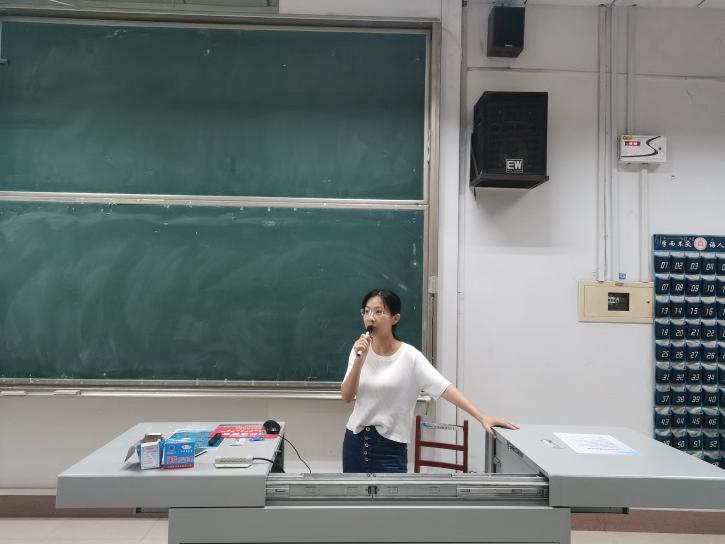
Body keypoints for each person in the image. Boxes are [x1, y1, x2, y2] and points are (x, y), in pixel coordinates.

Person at [341, 288, 517, 473]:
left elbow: (445, 388)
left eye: (379, 312)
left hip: (390, 448)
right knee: (353, 493)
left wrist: (482, 417)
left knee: (391, 493)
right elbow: (346, 396)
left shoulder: (410, 357)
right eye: (366, 311)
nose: (371, 318)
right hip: (355, 441)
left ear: (395, 318)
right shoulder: (359, 350)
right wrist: (359, 362)